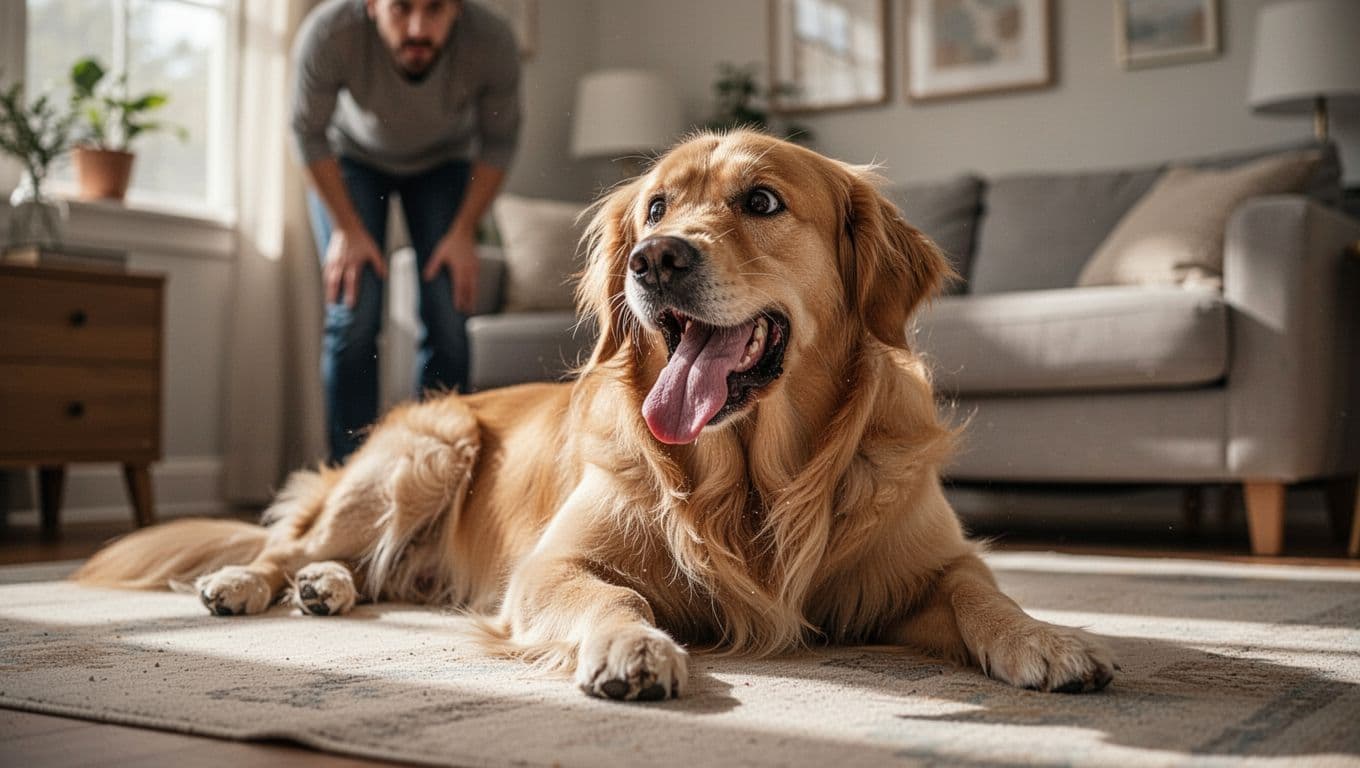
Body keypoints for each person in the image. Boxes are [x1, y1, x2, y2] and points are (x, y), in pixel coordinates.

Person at [291, 0, 521, 463]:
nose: (418, 28)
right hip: (352, 158)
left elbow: (499, 141)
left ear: (457, 8)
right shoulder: (329, 32)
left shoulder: (493, 40)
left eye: (435, 9)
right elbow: (307, 131)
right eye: (401, 8)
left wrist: (463, 232)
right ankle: (349, 477)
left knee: (449, 315)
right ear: (372, 6)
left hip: (446, 163)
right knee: (354, 313)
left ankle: (432, 470)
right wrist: (346, 229)